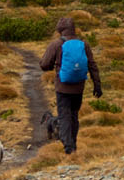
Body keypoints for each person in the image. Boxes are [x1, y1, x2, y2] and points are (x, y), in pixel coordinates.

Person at [38, 17, 102, 154]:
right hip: (79, 87)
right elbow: (92, 65)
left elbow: (44, 65)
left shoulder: (56, 44)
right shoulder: (84, 44)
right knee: (74, 115)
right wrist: (97, 85)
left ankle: (68, 147)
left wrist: (50, 65)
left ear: (60, 30)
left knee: (64, 116)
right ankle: (73, 144)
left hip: (63, 87)